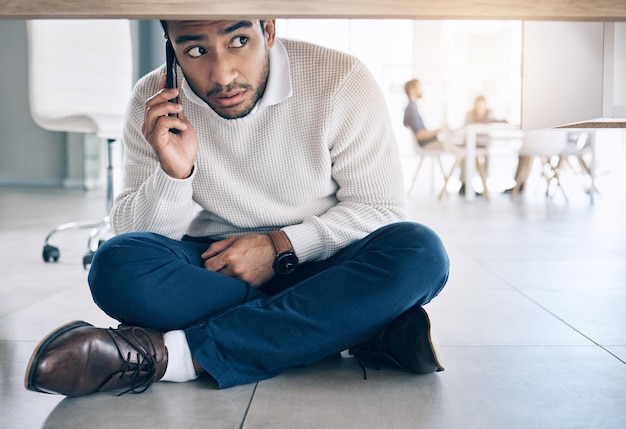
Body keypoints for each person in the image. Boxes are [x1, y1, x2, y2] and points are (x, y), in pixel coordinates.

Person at [25, 19, 450, 397]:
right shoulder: (152, 101)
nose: (222, 74)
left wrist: (280, 246)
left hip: (323, 256)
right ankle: (352, 324)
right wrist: (176, 174)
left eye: (239, 40)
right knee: (116, 264)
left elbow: (379, 206)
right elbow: (139, 234)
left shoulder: (340, 78)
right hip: (211, 267)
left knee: (420, 252)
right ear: (170, 44)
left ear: (268, 29)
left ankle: (175, 358)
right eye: (194, 50)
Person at [403, 78, 443, 148]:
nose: (421, 90)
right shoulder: (411, 109)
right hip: (426, 144)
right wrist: (440, 130)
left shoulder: (413, 107)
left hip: (429, 142)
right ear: (412, 90)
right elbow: (420, 135)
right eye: (419, 87)